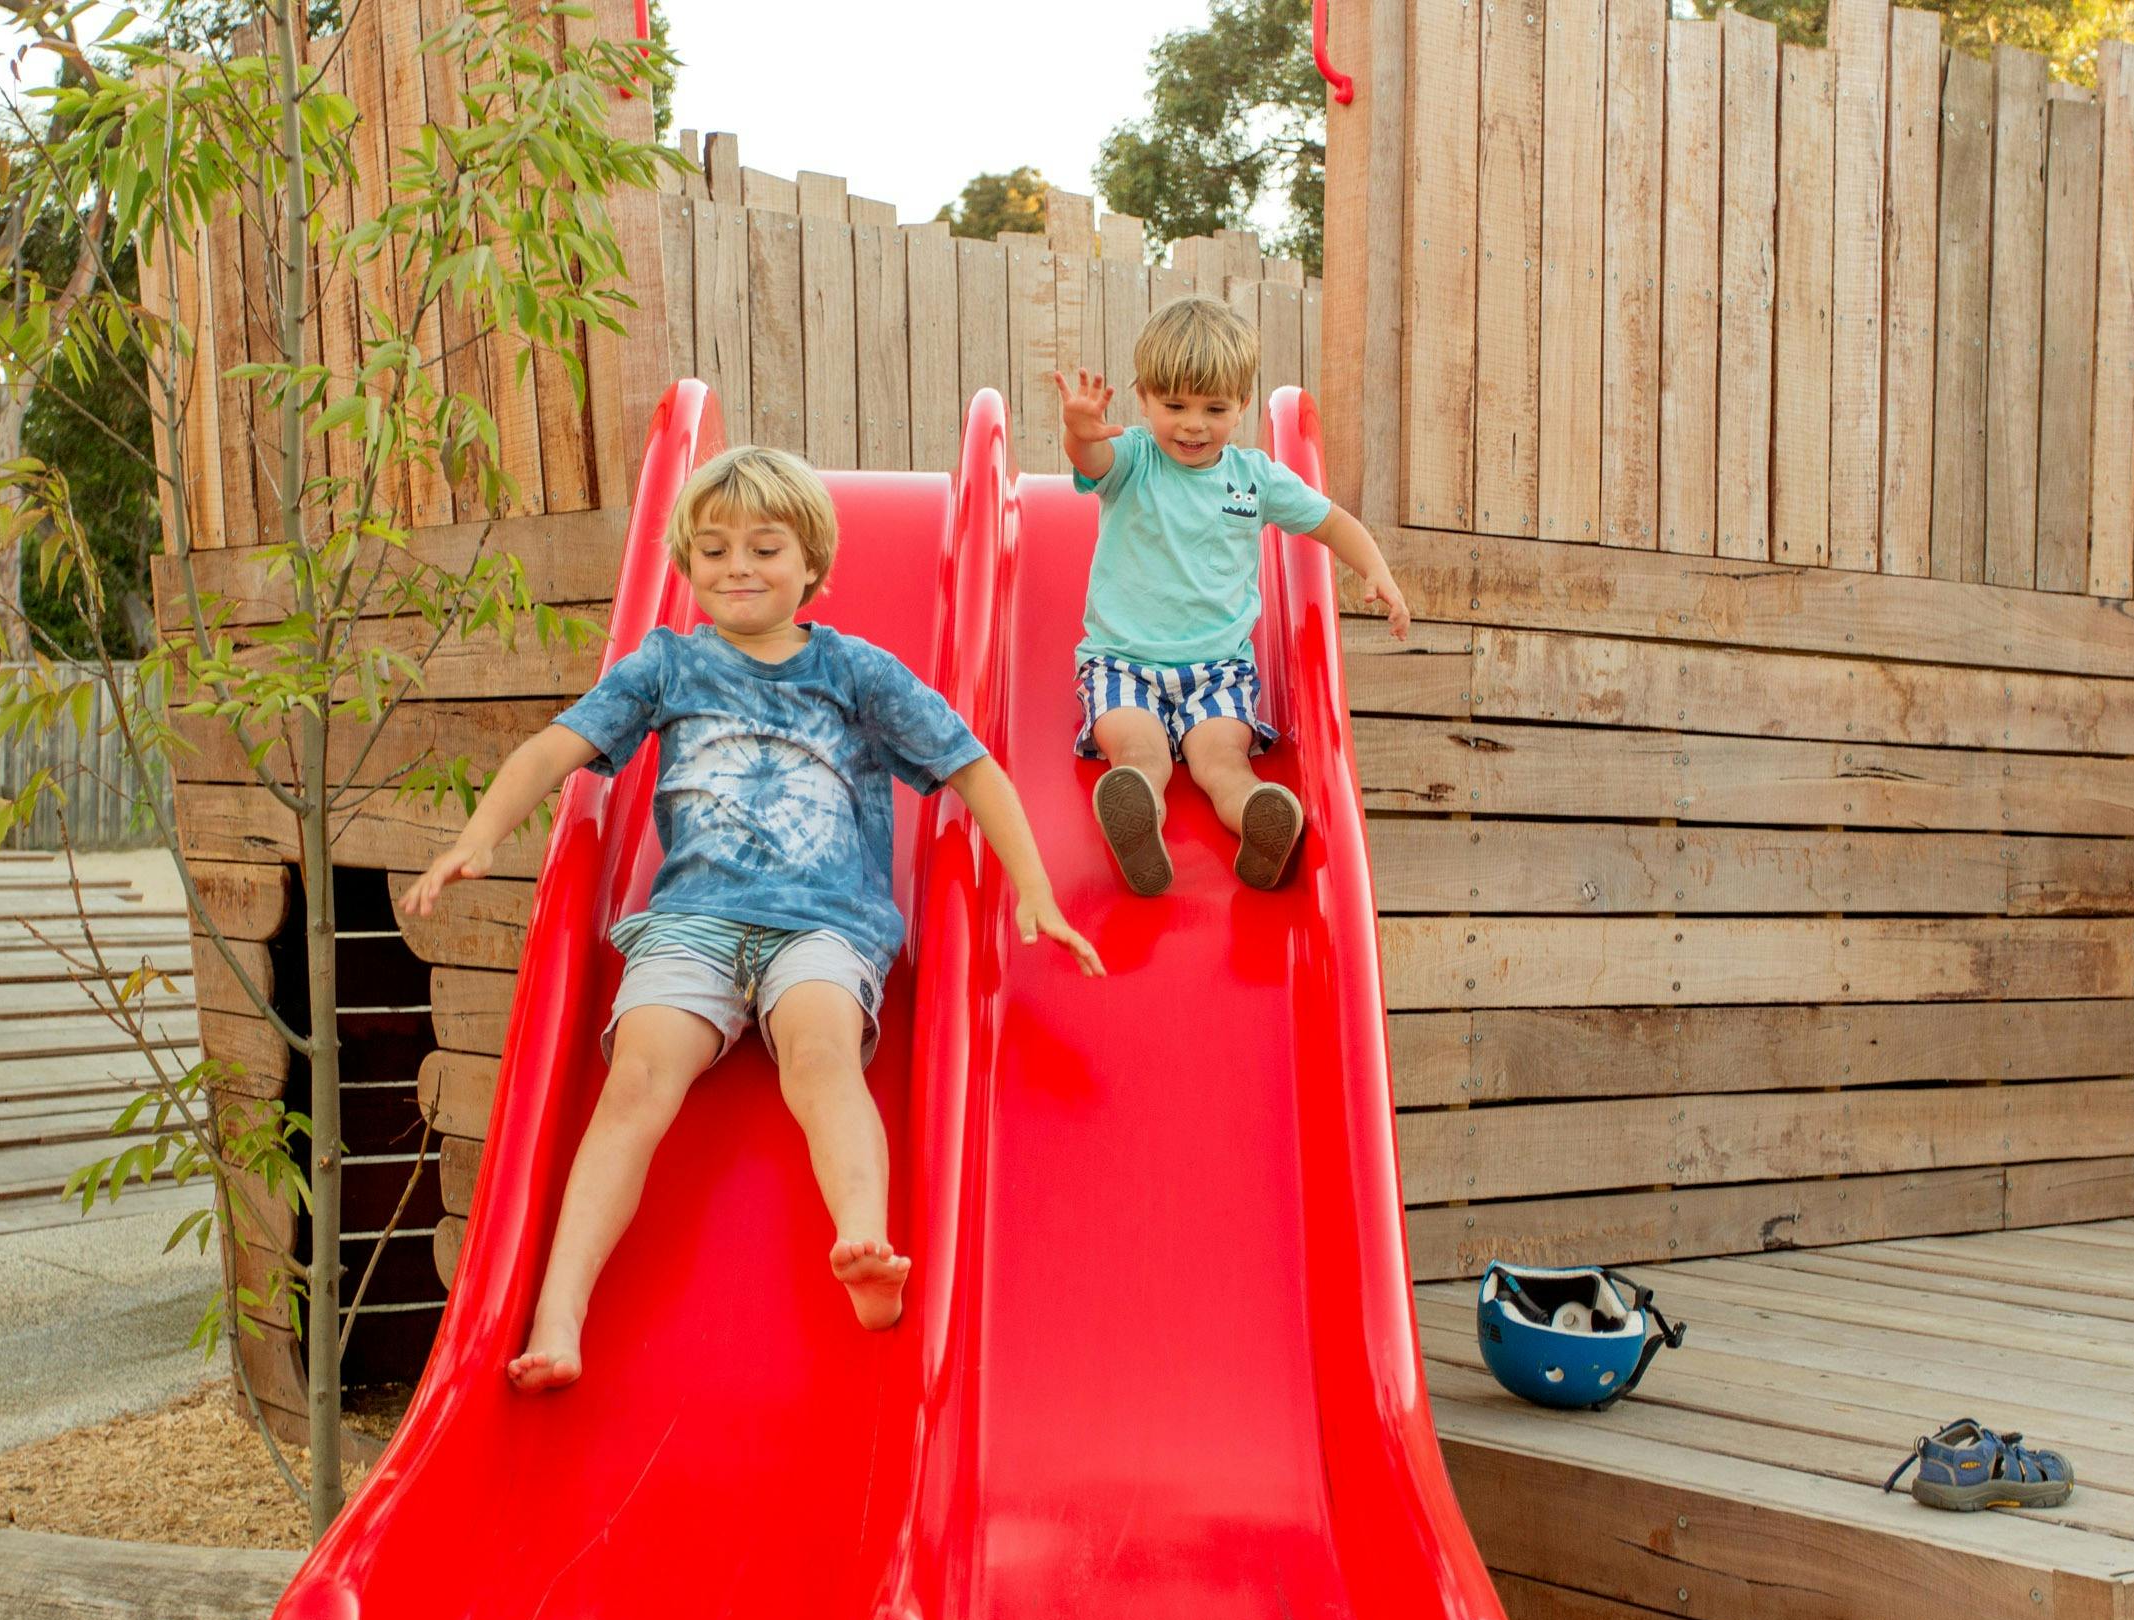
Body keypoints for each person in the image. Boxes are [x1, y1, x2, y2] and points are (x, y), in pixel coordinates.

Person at [400, 445, 1101, 1392]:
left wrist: (1037, 891)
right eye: (716, 549)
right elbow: (550, 748)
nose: (739, 567)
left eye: (765, 548)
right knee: (636, 1078)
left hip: (824, 923)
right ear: (686, 566)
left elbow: (973, 766)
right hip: (692, 920)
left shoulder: (855, 671)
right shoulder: (668, 666)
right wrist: (477, 836)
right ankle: (561, 1309)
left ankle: (863, 1240)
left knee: (818, 1053)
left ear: (812, 564)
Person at [1053, 295, 1414, 895]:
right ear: (1143, 399)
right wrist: (1078, 431)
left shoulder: (1254, 478)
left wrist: (1378, 571)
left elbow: (1331, 523)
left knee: (1223, 760)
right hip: (1123, 663)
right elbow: (1093, 458)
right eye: (1174, 406)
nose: (1194, 424)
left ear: (1243, 404)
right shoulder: (1136, 460)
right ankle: (1140, 825)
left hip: (1217, 670)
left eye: (1215, 408)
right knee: (1140, 753)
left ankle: (1256, 819)